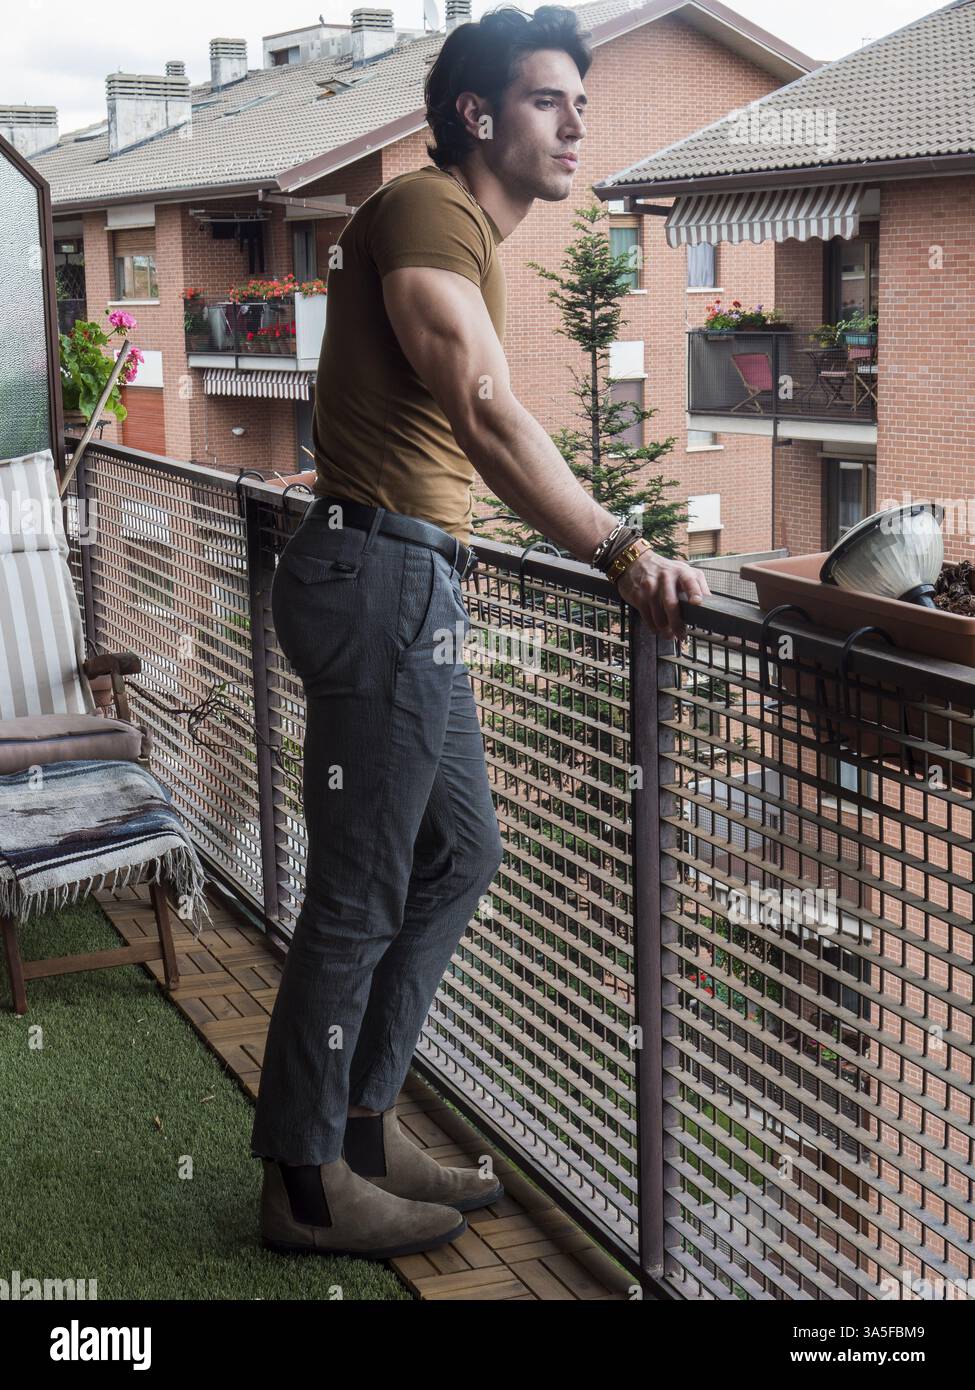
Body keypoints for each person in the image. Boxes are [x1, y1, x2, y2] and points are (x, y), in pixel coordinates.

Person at [252, 3, 710, 1261]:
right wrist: (621, 550)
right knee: (358, 888)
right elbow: (493, 416)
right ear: (476, 115)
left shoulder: (454, 227)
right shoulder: (428, 212)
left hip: (409, 579)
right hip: (381, 580)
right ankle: (302, 1181)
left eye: (581, 102)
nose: (576, 124)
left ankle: (358, 1117)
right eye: (551, 100)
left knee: (458, 854)